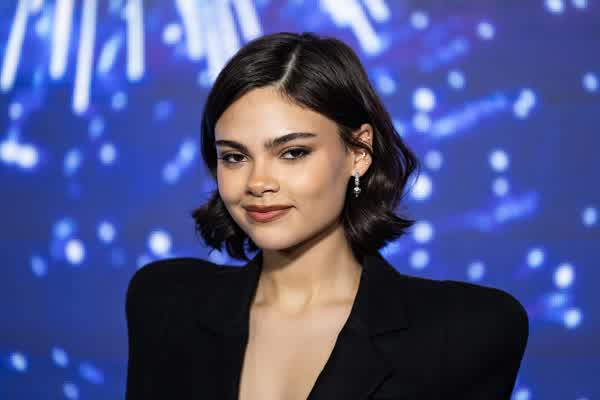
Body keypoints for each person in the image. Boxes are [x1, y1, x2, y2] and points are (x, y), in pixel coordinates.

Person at [125, 32, 528, 399]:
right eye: (234, 157)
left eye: (292, 153)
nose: (258, 182)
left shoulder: (463, 331)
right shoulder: (166, 303)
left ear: (359, 153)